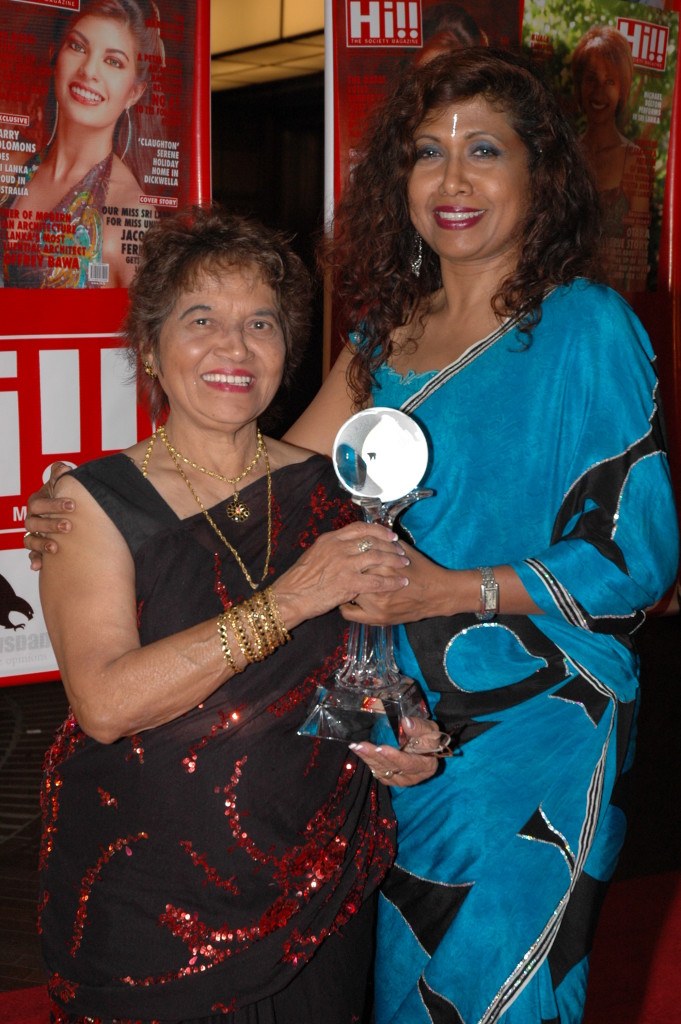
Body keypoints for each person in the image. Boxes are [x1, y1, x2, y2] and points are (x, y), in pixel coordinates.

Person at [25, 47, 679, 1023]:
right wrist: (101, 492)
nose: (452, 180)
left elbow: (643, 560)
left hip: (532, 735)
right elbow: (268, 471)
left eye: (484, 150)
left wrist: (448, 589)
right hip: (389, 735)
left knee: (497, 993)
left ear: (538, 171)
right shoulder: (384, 337)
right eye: (425, 153)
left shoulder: (587, 325)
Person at [31, 205, 431, 1024]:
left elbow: (361, 666)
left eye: (260, 323)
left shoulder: (331, 492)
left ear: (287, 351)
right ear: (150, 347)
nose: (234, 348)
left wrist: (402, 732)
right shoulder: (90, 504)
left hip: (317, 888)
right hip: (149, 902)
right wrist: (290, 598)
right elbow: (104, 704)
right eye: (201, 319)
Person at [1, 0, 164, 289]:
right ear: (54, 54)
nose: (88, 70)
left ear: (134, 93)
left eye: (113, 62)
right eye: (78, 47)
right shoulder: (9, 166)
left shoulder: (133, 213)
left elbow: (151, 318)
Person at [571, 25, 652, 293]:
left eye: (610, 82)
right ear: (579, 85)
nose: (598, 92)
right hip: (565, 297)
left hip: (613, 302)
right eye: (591, 79)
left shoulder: (633, 159)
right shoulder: (567, 155)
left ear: (622, 89)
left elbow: (638, 256)